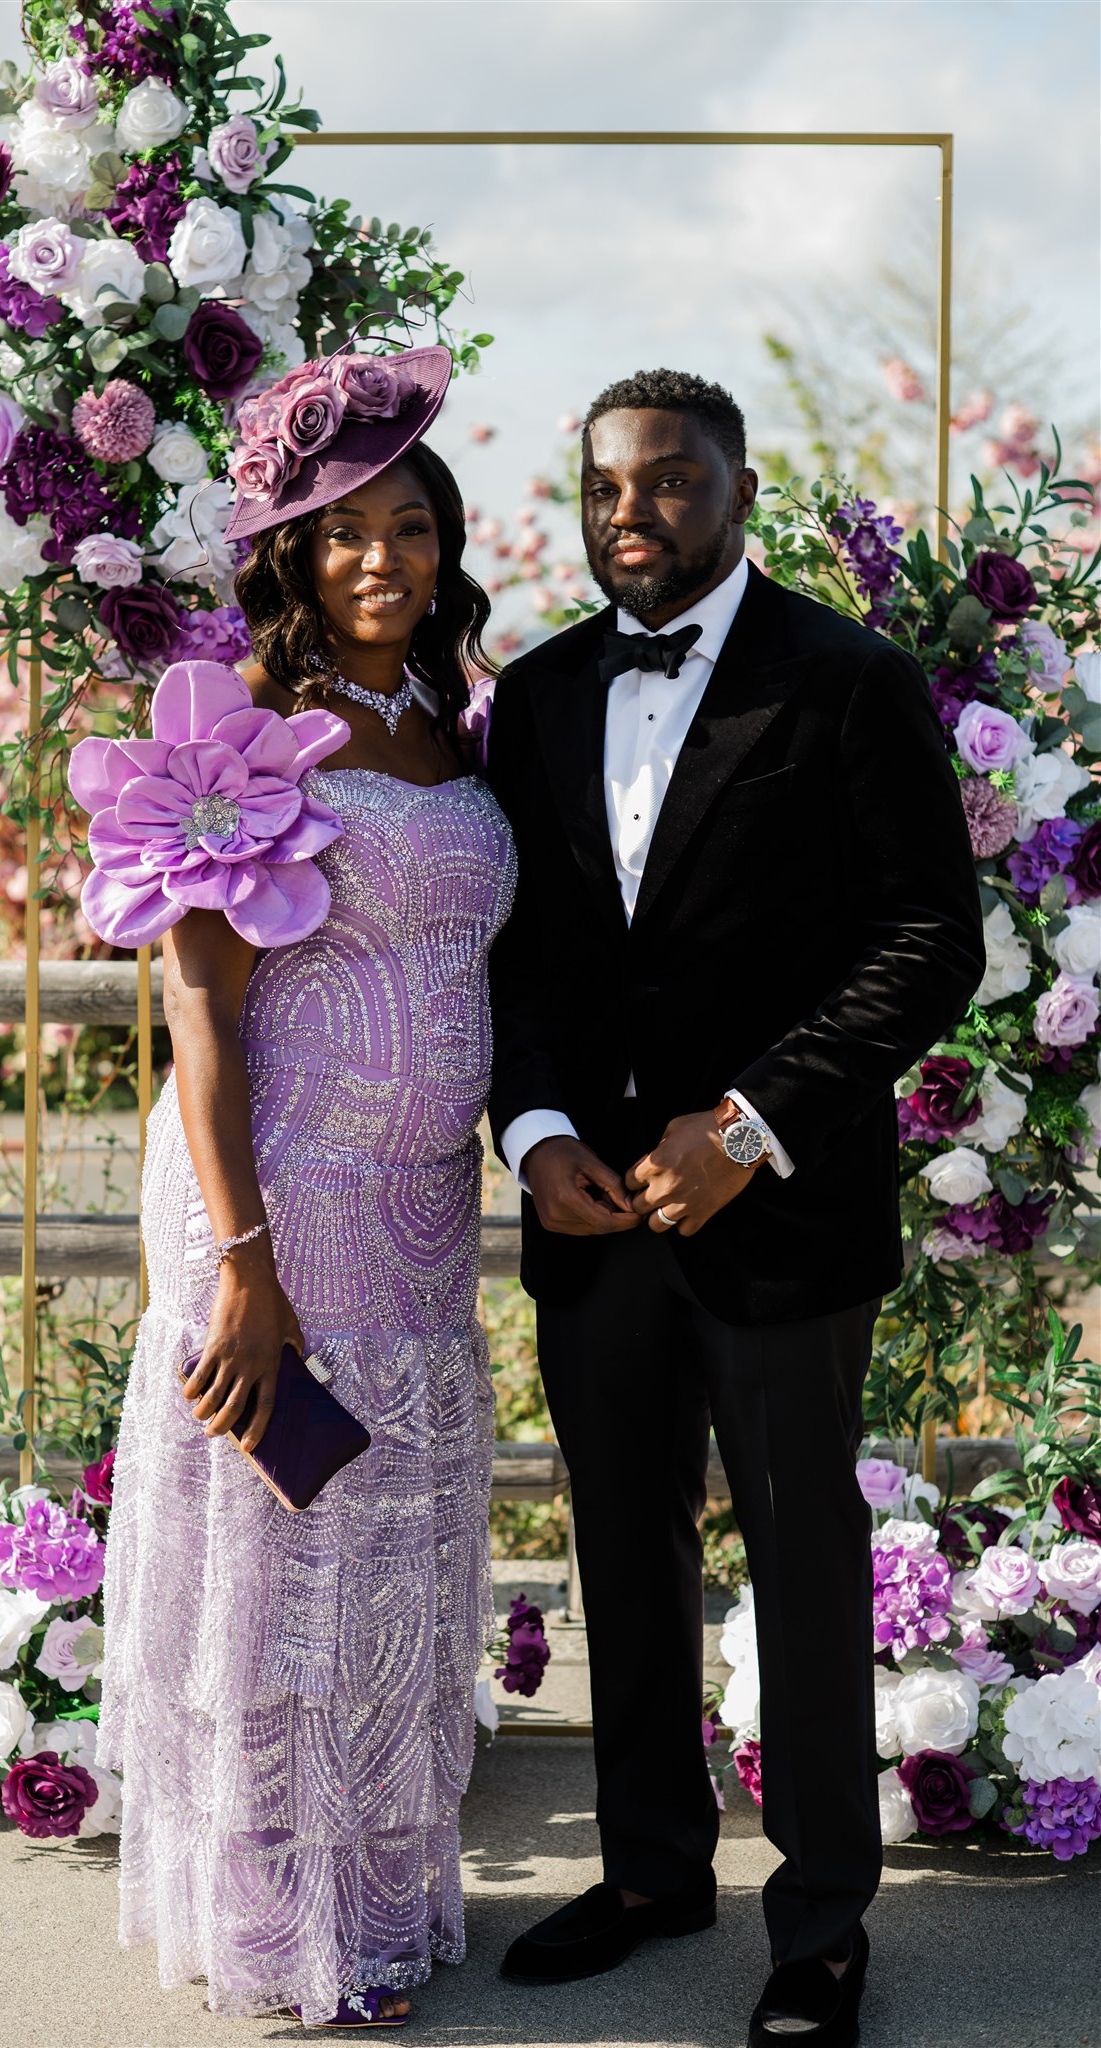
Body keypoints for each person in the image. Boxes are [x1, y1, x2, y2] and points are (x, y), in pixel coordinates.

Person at [486, 368, 985, 2048]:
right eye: (608, 487)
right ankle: (647, 1873)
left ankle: (825, 1923)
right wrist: (536, 1132)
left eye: (671, 484)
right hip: (593, 1224)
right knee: (620, 1551)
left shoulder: (847, 682)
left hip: (777, 1218)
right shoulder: (539, 694)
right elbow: (531, 956)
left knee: (802, 1563)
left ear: (738, 490)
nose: (634, 513)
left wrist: (751, 1125)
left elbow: (929, 939)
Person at [83, 342, 515, 2031]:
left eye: (406, 527)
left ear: (443, 543)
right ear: (289, 556)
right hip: (277, 1196)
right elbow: (199, 1004)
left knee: (392, 1549)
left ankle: (379, 1898)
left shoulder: (464, 722)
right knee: (286, 1552)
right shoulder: (247, 733)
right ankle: (282, 1929)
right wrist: (242, 1263)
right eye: (341, 533)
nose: (377, 560)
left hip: (424, 1209)